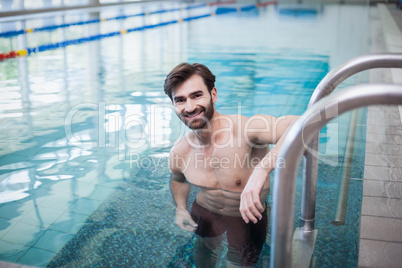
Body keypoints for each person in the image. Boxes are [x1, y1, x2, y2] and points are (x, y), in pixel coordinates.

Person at [164, 63, 298, 267]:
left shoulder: (246, 130)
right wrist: (181, 208)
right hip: (206, 210)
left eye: (197, 95)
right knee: (203, 251)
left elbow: (302, 124)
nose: (189, 107)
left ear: (213, 94)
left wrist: (262, 169)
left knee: (240, 261)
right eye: (180, 100)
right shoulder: (179, 152)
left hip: (247, 214)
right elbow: (178, 179)